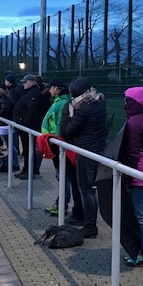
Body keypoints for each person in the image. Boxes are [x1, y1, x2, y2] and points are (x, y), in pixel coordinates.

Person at [60, 77, 107, 239]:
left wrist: (70, 114)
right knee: (91, 190)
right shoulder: (98, 104)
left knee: (86, 191)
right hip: (97, 149)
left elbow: (67, 132)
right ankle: (90, 223)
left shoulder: (83, 109)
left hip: (86, 152)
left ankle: (90, 225)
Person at [119, 86, 143, 267]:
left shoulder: (134, 123)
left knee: (142, 214)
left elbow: (133, 152)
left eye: (127, 100)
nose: (125, 103)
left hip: (140, 171)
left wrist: (128, 176)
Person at [41, 78, 80, 217]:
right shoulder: (59, 102)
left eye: (51, 88)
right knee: (62, 176)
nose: (49, 90)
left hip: (58, 144)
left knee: (63, 176)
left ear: (56, 88)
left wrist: (56, 141)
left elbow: (59, 124)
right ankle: (61, 203)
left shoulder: (62, 103)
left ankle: (61, 205)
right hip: (54, 143)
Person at [12, 74, 51, 180]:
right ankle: (26, 169)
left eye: (25, 82)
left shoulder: (34, 94)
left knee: (29, 149)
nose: (23, 84)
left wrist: (24, 122)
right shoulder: (31, 93)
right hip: (26, 126)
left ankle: (29, 170)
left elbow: (31, 110)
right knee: (27, 149)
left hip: (29, 127)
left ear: (30, 82)